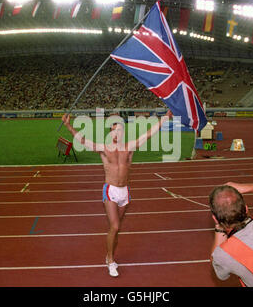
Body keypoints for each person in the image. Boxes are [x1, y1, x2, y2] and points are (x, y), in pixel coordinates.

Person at [62, 110, 172, 277]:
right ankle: (111, 261)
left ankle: (109, 254)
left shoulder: (130, 147)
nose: (116, 133)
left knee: (116, 229)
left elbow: (149, 134)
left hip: (125, 191)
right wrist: (69, 126)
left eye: (119, 130)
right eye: (113, 130)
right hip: (110, 190)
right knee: (115, 226)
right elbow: (84, 141)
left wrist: (164, 119)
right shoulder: (104, 148)